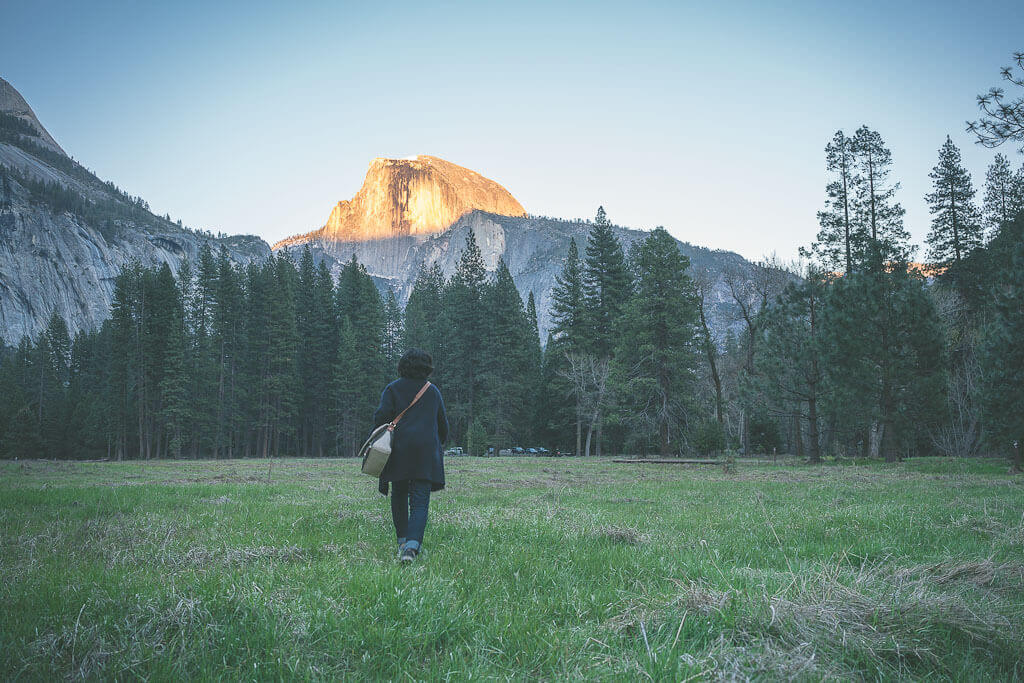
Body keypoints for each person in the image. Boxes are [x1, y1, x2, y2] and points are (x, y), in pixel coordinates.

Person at [372, 348, 449, 563]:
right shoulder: (432, 391)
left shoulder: (392, 389)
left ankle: (403, 542)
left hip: (398, 450)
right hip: (425, 452)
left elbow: (380, 418)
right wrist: (438, 443)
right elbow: (443, 425)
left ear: (402, 366)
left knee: (399, 495)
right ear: (427, 368)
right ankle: (412, 548)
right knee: (420, 501)